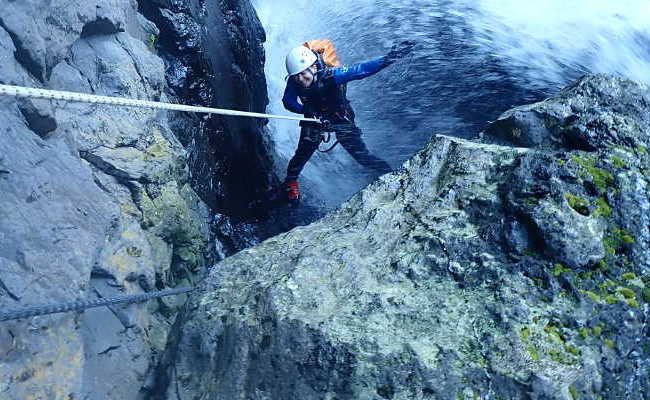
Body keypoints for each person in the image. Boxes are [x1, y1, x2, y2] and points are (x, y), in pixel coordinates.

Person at [281, 40, 415, 205]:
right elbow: (288, 101)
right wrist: (305, 111)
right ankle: (290, 182)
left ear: (314, 67)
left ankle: (388, 172)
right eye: (296, 76)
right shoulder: (295, 79)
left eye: (303, 74)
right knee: (304, 150)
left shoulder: (332, 76)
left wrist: (390, 58)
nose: (301, 79)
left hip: (339, 116)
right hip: (314, 116)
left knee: (361, 155)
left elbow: (361, 70)